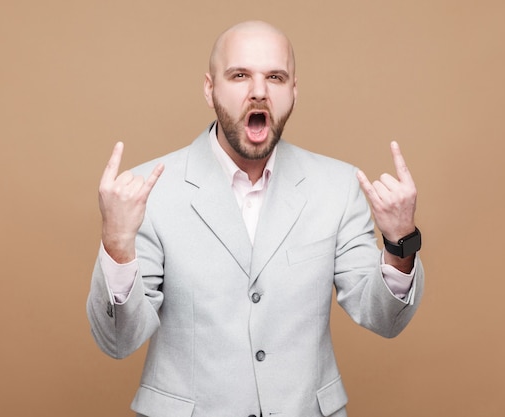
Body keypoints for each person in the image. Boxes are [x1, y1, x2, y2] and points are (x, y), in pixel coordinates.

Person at [87, 20, 424, 417]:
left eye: (275, 77)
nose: (259, 91)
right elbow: (116, 340)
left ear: (293, 92)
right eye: (240, 75)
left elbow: (384, 319)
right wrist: (117, 246)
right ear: (210, 88)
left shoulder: (337, 186)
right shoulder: (148, 191)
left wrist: (400, 241)